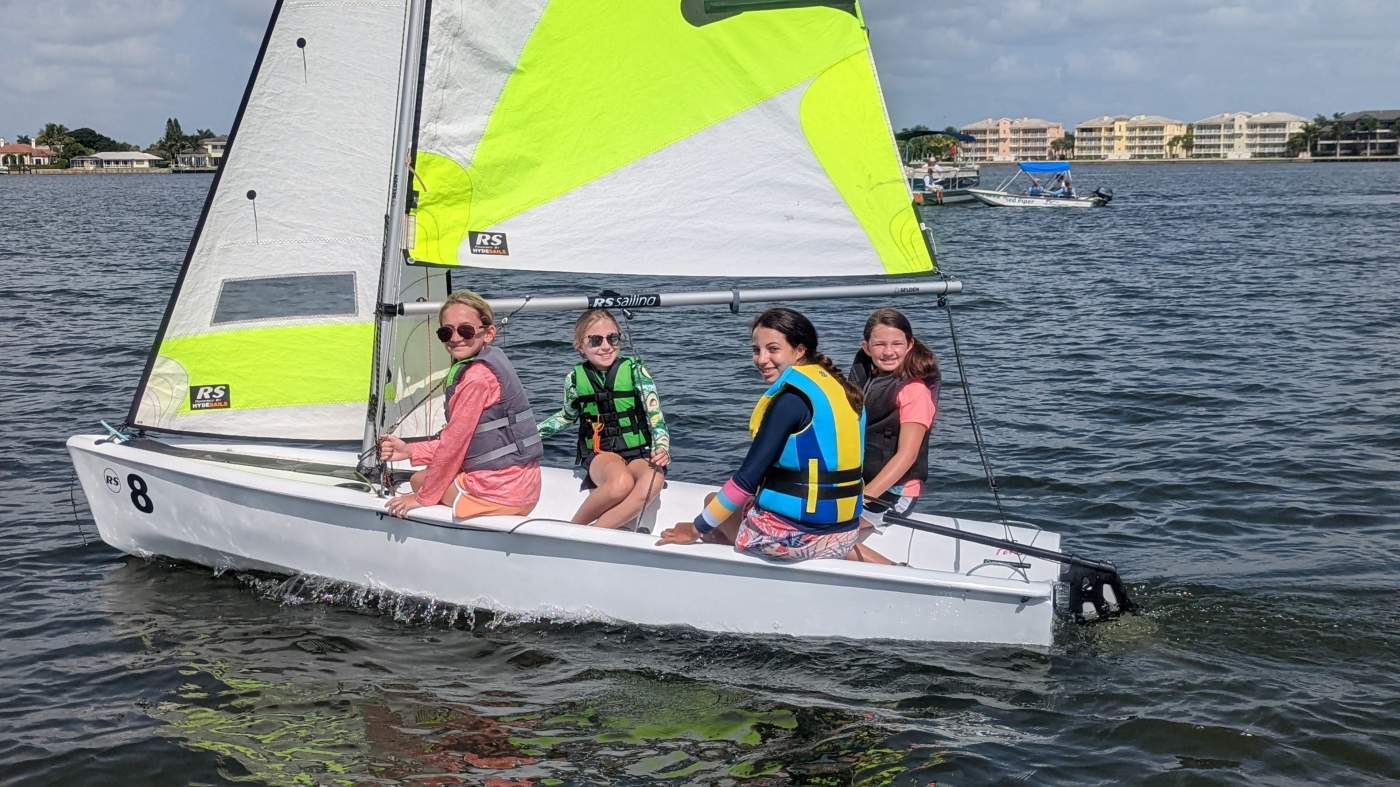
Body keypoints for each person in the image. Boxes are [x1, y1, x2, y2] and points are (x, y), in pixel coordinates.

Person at [655, 308, 865, 561]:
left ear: (799, 351)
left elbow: (746, 481)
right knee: (722, 507)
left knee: (711, 509)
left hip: (793, 539)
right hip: (844, 533)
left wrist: (693, 530)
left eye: (773, 349)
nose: (762, 359)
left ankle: (735, 583)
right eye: (757, 350)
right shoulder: (843, 390)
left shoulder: (790, 401)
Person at [378, 291, 543, 520]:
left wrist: (421, 498)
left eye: (465, 330)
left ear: (489, 333)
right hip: (525, 488)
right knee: (430, 476)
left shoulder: (476, 378)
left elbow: (453, 446)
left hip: (497, 493)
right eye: (446, 332)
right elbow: (469, 441)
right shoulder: (491, 364)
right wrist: (409, 451)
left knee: (418, 481)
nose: (455, 338)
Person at [537, 308, 671, 529]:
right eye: (596, 341)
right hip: (601, 454)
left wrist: (662, 447)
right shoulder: (574, 379)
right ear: (580, 346)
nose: (606, 346)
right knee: (620, 483)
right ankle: (574, 528)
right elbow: (567, 417)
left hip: (639, 452)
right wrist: (530, 434)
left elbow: (655, 418)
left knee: (653, 482)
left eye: (613, 338)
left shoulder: (637, 371)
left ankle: (596, 532)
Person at [845, 309, 940, 564]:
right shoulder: (869, 381)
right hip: (864, 485)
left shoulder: (914, 391)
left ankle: (898, 573)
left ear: (910, 345)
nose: (889, 352)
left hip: (894, 494)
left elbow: (907, 456)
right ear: (866, 347)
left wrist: (862, 499)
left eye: (897, 343)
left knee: (826, 536)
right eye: (880, 344)